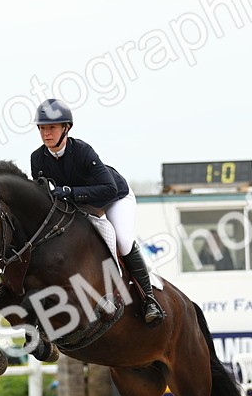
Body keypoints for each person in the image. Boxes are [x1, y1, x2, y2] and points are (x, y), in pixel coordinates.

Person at [29, 99, 165, 326]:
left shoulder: (82, 151)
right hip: (82, 206)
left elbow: (109, 189)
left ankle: (149, 299)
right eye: (42, 128)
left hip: (114, 199)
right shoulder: (38, 158)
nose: (46, 134)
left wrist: (70, 192)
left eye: (51, 128)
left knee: (121, 240)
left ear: (66, 128)